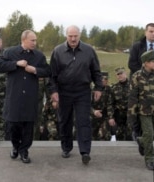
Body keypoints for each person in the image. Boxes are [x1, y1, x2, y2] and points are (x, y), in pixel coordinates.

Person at [48, 25, 103, 165]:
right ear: (66, 36)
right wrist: (54, 91)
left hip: (82, 91)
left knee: (83, 121)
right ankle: (66, 147)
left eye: (75, 36)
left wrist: (98, 88)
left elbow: (96, 71)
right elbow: (52, 75)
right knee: (64, 120)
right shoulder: (58, 51)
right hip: (64, 91)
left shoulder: (89, 50)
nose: (73, 39)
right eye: (70, 36)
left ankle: (85, 152)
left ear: (80, 36)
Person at [0, 30, 50, 163]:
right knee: (13, 124)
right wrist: (15, 64)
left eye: (35, 40)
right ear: (24, 40)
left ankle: (24, 151)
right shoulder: (10, 52)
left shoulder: (38, 56)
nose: (35, 43)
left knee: (28, 126)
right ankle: (15, 146)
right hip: (14, 96)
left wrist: (35, 70)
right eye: (32, 40)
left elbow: (48, 70)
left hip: (31, 97)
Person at [127, 50, 154, 170]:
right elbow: (132, 98)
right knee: (149, 134)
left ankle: (141, 141)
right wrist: (131, 115)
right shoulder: (136, 77)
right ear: (146, 63)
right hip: (143, 112)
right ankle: (149, 159)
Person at [128, 22, 154, 139]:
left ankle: (151, 138)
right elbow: (131, 63)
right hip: (139, 85)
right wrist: (144, 77)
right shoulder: (137, 46)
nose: (153, 34)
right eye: (151, 31)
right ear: (145, 32)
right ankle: (138, 133)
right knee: (138, 111)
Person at [107, 67, 132, 141]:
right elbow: (110, 104)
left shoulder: (133, 86)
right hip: (119, 117)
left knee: (130, 137)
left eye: (121, 73)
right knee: (119, 138)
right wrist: (111, 117)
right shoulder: (114, 88)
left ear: (126, 74)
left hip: (130, 116)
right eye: (118, 74)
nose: (119, 76)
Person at [91, 72, 111, 141]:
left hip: (105, 116)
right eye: (101, 79)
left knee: (106, 135)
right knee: (91, 136)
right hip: (93, 117)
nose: (103, 80)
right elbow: (86, 105)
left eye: (105, 79)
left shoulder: (110, 90)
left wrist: (110, 117)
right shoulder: (91, 91)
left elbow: (111, 104)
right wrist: (94, 111)